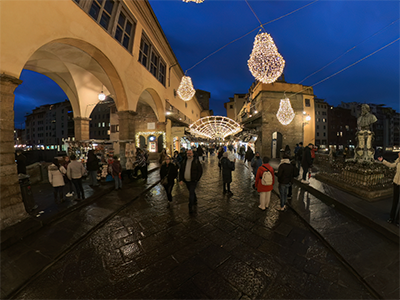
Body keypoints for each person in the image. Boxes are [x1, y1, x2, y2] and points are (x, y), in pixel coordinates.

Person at [378, 154, 400, 226]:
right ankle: (391, 218)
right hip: (396, 183)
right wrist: (383, 161)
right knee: (395, 201)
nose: (398, 154)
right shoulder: (398, 161)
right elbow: (391, 165)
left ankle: (398, 220)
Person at [179, 149, 203, 213]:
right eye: (188, 153)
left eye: (190, 153)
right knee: (191, 191)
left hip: (193, 180)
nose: (189, 155)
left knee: (191, 191)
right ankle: (194, 199)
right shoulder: (184, 161)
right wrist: (180, 179)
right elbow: (181, 171)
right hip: (186, 180)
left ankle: (190, 204)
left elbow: (200, 171)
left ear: (193, 154)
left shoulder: (196, 161)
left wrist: (197, 179)